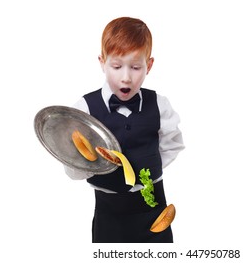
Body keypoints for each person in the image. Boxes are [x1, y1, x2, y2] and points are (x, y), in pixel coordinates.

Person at [64, 17, 184, 243]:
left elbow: (172, 144)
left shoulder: (159, 104)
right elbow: (72, 167)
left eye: (136, 67)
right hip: (109, 214)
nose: (126, 77)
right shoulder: (84, 108)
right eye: (116, 66)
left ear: (149, 65)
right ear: (102, 62)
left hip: (154, 209)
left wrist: (148, 166)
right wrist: (90, 166)